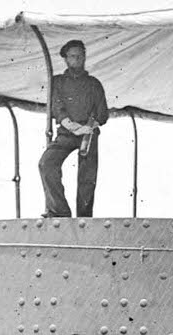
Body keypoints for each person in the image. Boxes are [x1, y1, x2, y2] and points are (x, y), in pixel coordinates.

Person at [38, 39, 108, 218]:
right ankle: (59, 211)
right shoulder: (58, 82)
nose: (77, 59)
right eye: (72, 56)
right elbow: (56, 107)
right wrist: (70, 125)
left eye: (80, 55)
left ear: (85, 57)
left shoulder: (94, 84)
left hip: (88, 134)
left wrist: (90, 126)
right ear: (66, 59)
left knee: (87, 177)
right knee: (47, 163)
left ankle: (84, 217)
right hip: (66, 133)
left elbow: (102, 114)